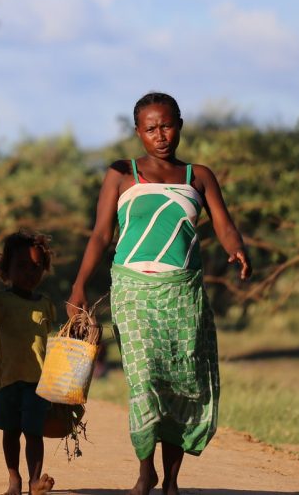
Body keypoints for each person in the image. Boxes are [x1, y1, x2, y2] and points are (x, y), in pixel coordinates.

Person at [68, 92, 251, 495]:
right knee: (145, 377)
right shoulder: (121, 173)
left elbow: (223, 223)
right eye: (150, 128)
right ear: (138, 132)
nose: (160, 135)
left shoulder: (198, 176)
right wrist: (80, 284)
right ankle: (144, 469)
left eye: (166, 125)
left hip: (183, 292)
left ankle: (170, 480)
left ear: (180, 125)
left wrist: (235, 248)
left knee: (180, 382)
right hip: (132, 289)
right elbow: (101, 234)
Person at [0, 232, 57, 495]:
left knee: (34, 433)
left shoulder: (47, 305)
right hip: (7, 379)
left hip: (38, 382)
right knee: (11, 432)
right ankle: (14, 479)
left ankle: (34, 481)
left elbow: (54, 340)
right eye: (21, 266)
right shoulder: (0, 300)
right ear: (6, 269)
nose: (29, 272)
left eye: (36, 267)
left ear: (44, 269)